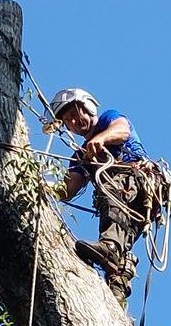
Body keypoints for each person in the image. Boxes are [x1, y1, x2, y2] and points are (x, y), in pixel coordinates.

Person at [50, 87, 154, 305]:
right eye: (68, 121)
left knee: (109, 185)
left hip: (135, 183)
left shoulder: (108, 119)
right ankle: (116, 294)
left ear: (87, 107)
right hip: (121, 204)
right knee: (118, 259)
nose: (74, 123)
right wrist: (42, 187)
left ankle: (110, 248)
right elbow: (68, 189)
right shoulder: (80, 155)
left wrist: (102, 139)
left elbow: (122, 130)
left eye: (75, 115)